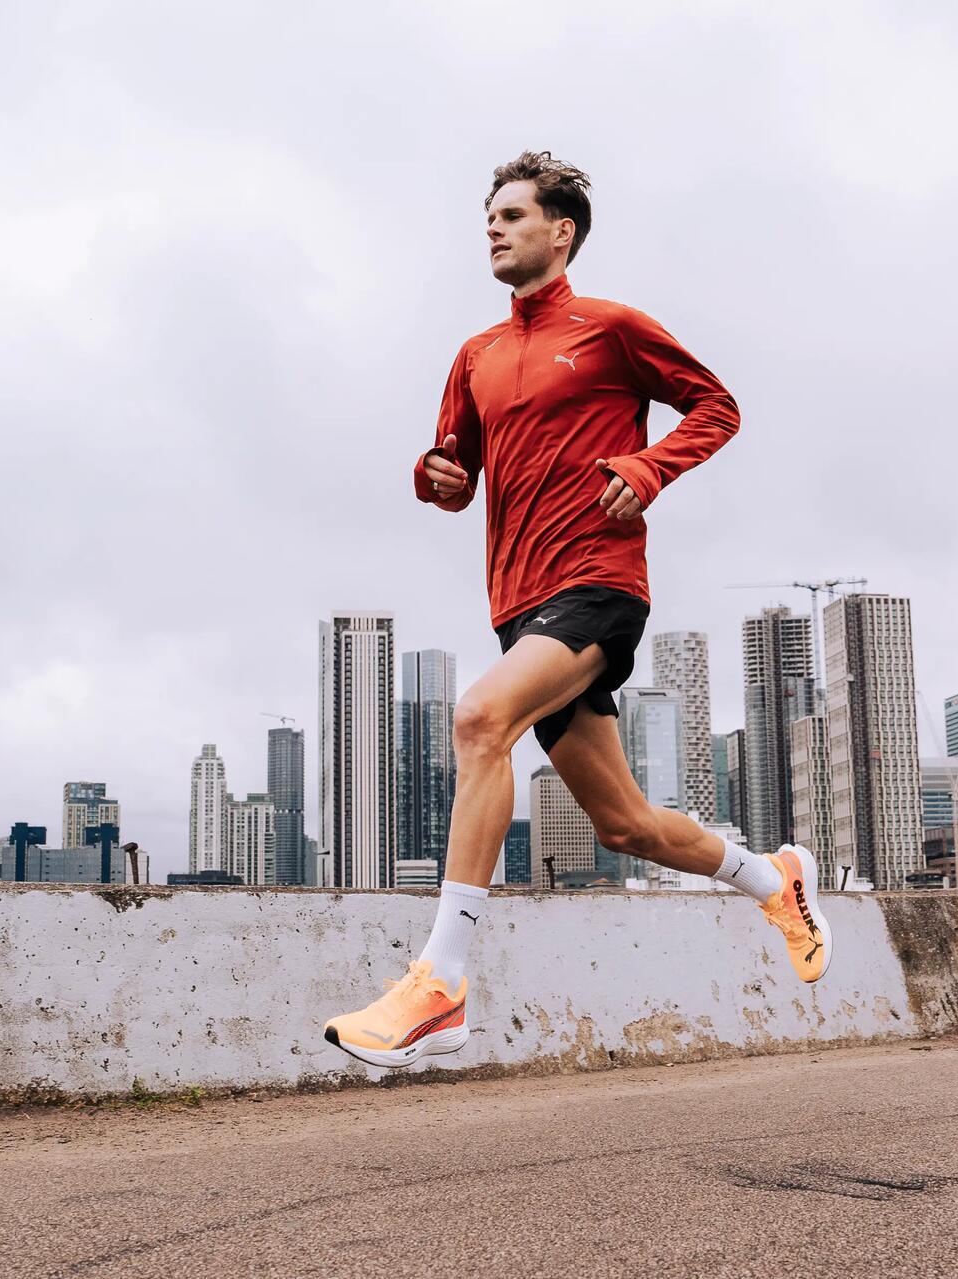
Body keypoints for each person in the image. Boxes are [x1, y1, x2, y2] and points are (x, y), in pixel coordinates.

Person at [323, 151, 831, 1070]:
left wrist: (648, 467)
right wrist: (437, 478)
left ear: (560, 232)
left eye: (513, 215)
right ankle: (774, 877)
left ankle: (441, 983)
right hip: (517, 604)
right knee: (625, 825)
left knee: (480, 717)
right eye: (489, 217)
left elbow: (716, 407)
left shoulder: (612, 329)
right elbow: (453, 471)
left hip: (599, 585)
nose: (494, 227)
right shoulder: (475, 356)